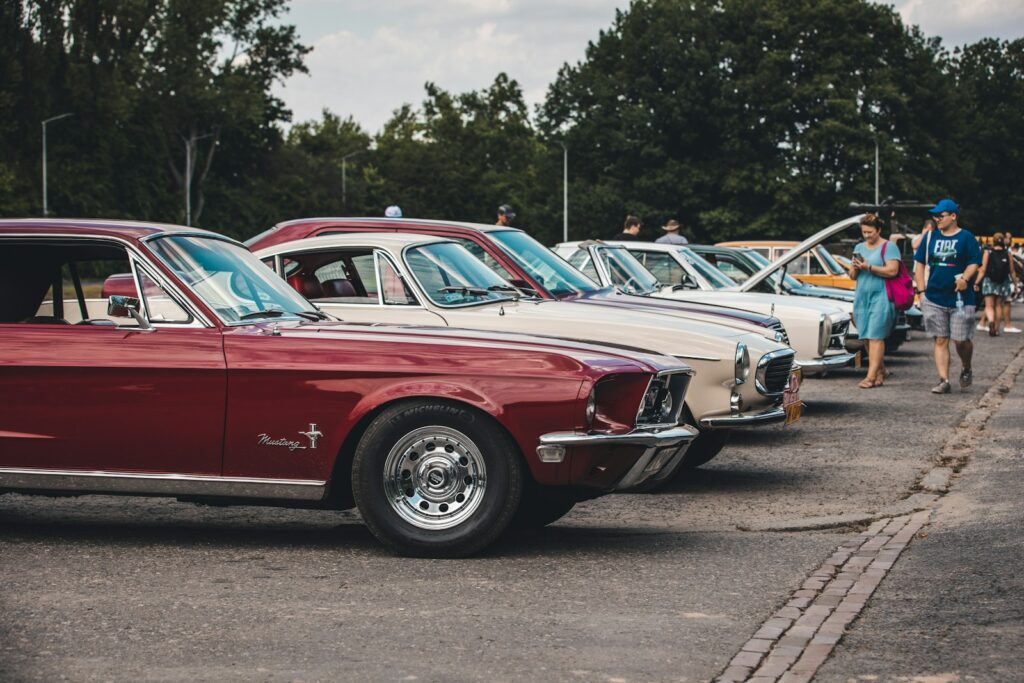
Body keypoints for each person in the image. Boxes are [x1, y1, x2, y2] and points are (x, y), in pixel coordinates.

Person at [913, 198, 983, 394]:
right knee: (940, 339)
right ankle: (944, 380)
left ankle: (966, 367)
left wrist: (966, 279)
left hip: (961, 299)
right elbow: (919, 265)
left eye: (941, 215)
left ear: (953, 216)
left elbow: (974, 262)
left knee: (961, 340)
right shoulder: (930, 238)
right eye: (935, 216)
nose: (937, 219)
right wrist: (922, 291)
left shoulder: (966, 237)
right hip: (934, 298)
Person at [845, 214, 899, 388]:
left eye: (870, 232)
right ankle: (881, 370)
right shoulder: (859, 246)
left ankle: (870, 376)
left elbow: (892, 271)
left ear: (879, 230)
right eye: (864, 232)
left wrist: (869, 266)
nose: (867, 235)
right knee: (866, 337)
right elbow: (853, 276)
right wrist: (855, 267)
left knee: (876, 335)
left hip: (881, 295)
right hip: (862, 295)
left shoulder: (889, 247)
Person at [974, 232, 1017, 336]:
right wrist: (1015, 284)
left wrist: (976, 282)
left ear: (993, 240)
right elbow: (1012, 271)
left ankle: (991, 321)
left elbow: (983, 270)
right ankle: (996, 329)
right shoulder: (1008, 253)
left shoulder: (988, 252)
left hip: (989, 281)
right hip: (1003, 282)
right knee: (998, 306)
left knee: (989, 306)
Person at [1002, 232, 1021, 332]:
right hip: (1005, 281)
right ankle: (1007, 325)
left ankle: (984, 322)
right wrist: (1015, 283)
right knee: (1007, 302)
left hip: (995, 280)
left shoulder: (991, 251)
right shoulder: (1006, 252)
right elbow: (1012, 270)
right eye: (1008, 238)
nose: (1009, 241)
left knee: (993, 304)